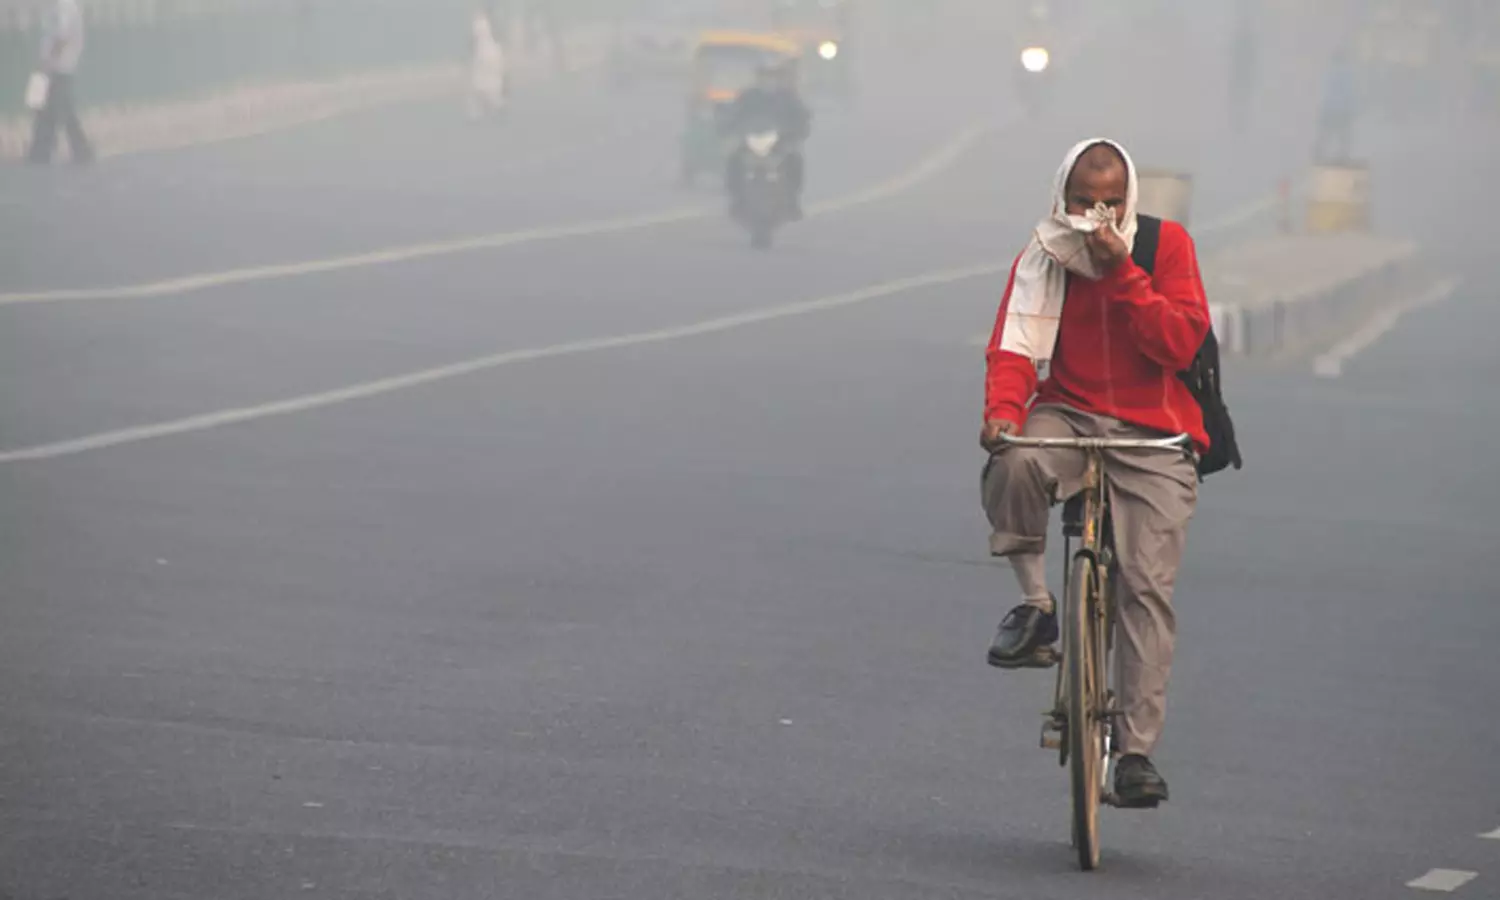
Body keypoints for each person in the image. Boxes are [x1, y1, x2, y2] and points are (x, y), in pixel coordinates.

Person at [979, 139, 1210, 809]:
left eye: (1110, 203)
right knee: (1014, 460)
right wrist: (1001, 413)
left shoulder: (1165, 248)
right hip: (1070, 415)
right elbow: (1014, 347)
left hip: (1153, 431)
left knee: (1146, 587)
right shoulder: (1044, 253)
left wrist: (1122, 273)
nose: (1096, 217)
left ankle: (1134, 754)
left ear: (1128, 199)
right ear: (1063, 198)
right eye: (1083, 202)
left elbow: (1178, 343)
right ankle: (1037, 607)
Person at [721, 59, 811, 219]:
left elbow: (801, 116)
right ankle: (737, 199)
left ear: (778, 78)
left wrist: (798, 130)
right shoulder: (748, 96)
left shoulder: (788, 97)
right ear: (758, 77)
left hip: (780, 143)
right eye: (764, 75)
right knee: (733, 160)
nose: (768, 80)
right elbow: (734, 114)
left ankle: (792, 201)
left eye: (772, 76)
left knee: (795, 161)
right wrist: (728, 127)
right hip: (750, 141)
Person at [28, 0, 94, 165]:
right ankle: (42, 151)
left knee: (61, 111)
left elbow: (61, 37)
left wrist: (47, 63)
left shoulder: (64, 6)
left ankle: (80, 151)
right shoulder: (56, 7)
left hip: (59, 67)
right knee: (49, 110)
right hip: (54, 67)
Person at [468, 6, 508, 121]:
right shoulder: (493, 22)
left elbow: (474, 39)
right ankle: (496, 105)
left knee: (480, 82)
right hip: (494, 52)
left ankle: (478, 112)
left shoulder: (479, 22)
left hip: (483, 53)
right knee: (493, 81)